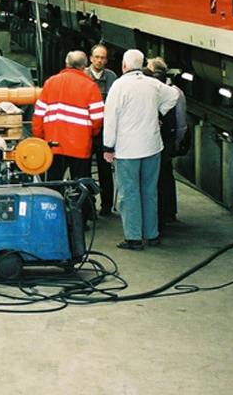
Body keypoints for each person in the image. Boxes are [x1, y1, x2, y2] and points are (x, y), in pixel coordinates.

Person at [102, 49, 179, 250]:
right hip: (152, 147)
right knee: (149, 191)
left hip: (127, 149)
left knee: (129, 194)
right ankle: (152, 234)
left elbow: (110, 119)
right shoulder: (152, 83)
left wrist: (108, 146)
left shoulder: (119, 86)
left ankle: (133, 237)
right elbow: (174, 95)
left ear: (124, 65)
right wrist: (159, 112)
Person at [31, 50, 104, 185]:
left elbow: (38, 115)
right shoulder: (91, 86)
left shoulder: (50, 83)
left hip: (54, 144)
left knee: (53, 184)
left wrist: (39, 138)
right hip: (81, 146)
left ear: (66, 63)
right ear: (84, 66)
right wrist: (92, 135)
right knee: (81, 186)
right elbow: (98, 118)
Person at [147, 57, 187, 231]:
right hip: (164, 141)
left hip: (163, 141)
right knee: (165, 176)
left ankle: (163, 214)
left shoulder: (173, 93)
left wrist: (175, 146)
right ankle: (167, 213)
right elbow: (182, 123)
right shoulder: (176, 92)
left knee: (161, 177)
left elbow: (181, 123)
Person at [86, 44, 118, 216]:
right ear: (91, 58)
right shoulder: (83, 75)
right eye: (97, 57)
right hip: (87, 129)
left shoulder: (112, 77)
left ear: (106, 60)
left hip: (105, 130)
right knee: (85, 169)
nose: (99, 60)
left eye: (103, 58)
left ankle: (106, 204)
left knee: (105, 168)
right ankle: (88, 204)